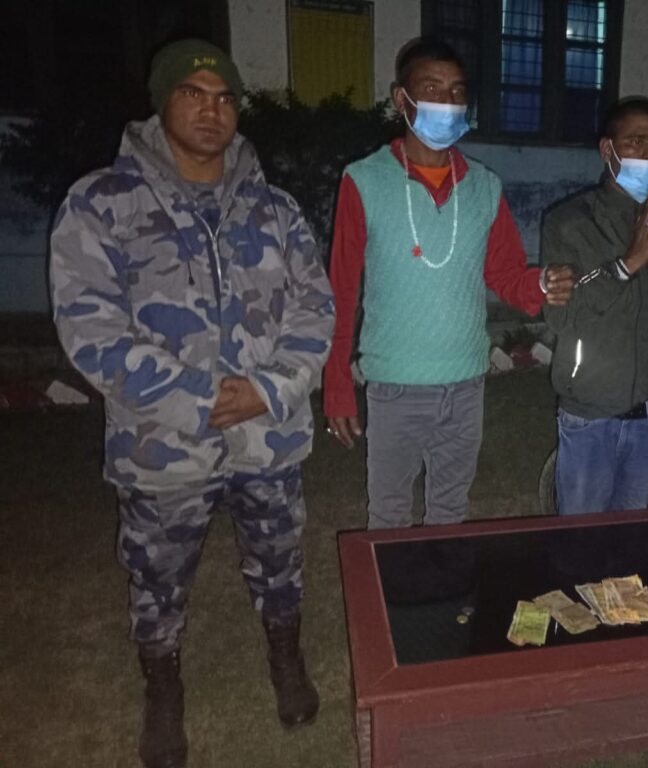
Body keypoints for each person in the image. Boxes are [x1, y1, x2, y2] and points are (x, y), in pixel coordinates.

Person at [49, 40, 335, 768]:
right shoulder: (102, 204)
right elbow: (91, 330)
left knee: (279, 561)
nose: (212, 110)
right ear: (161, 103)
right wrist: (199, 399)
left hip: (267, 436)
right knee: (157, 579)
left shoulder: (276, 210)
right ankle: (163, 690)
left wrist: (268, 389)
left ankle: (286, 660)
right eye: (193, 93)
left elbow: (315, 310)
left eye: (225, 97)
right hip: (163, 444)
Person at [322, 38, 573, 528]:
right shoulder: (364, 180)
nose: (446, 101)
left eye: (456, 91)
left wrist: (541, 284)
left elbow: (506, 275)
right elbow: (341, 291)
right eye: (431, 88)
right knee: (389, 515)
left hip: (465, 385)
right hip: (394, 386)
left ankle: (442, 580)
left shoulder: (484, 186)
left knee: (451, 511)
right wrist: (337, 385)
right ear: (401, 99)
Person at [541, 96, 648, 515]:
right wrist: (626, 265)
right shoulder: (571, 222)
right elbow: (563, 317)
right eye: (635, 142)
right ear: (608, 150)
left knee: (633, 530)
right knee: (581, 534)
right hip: (590, 413)